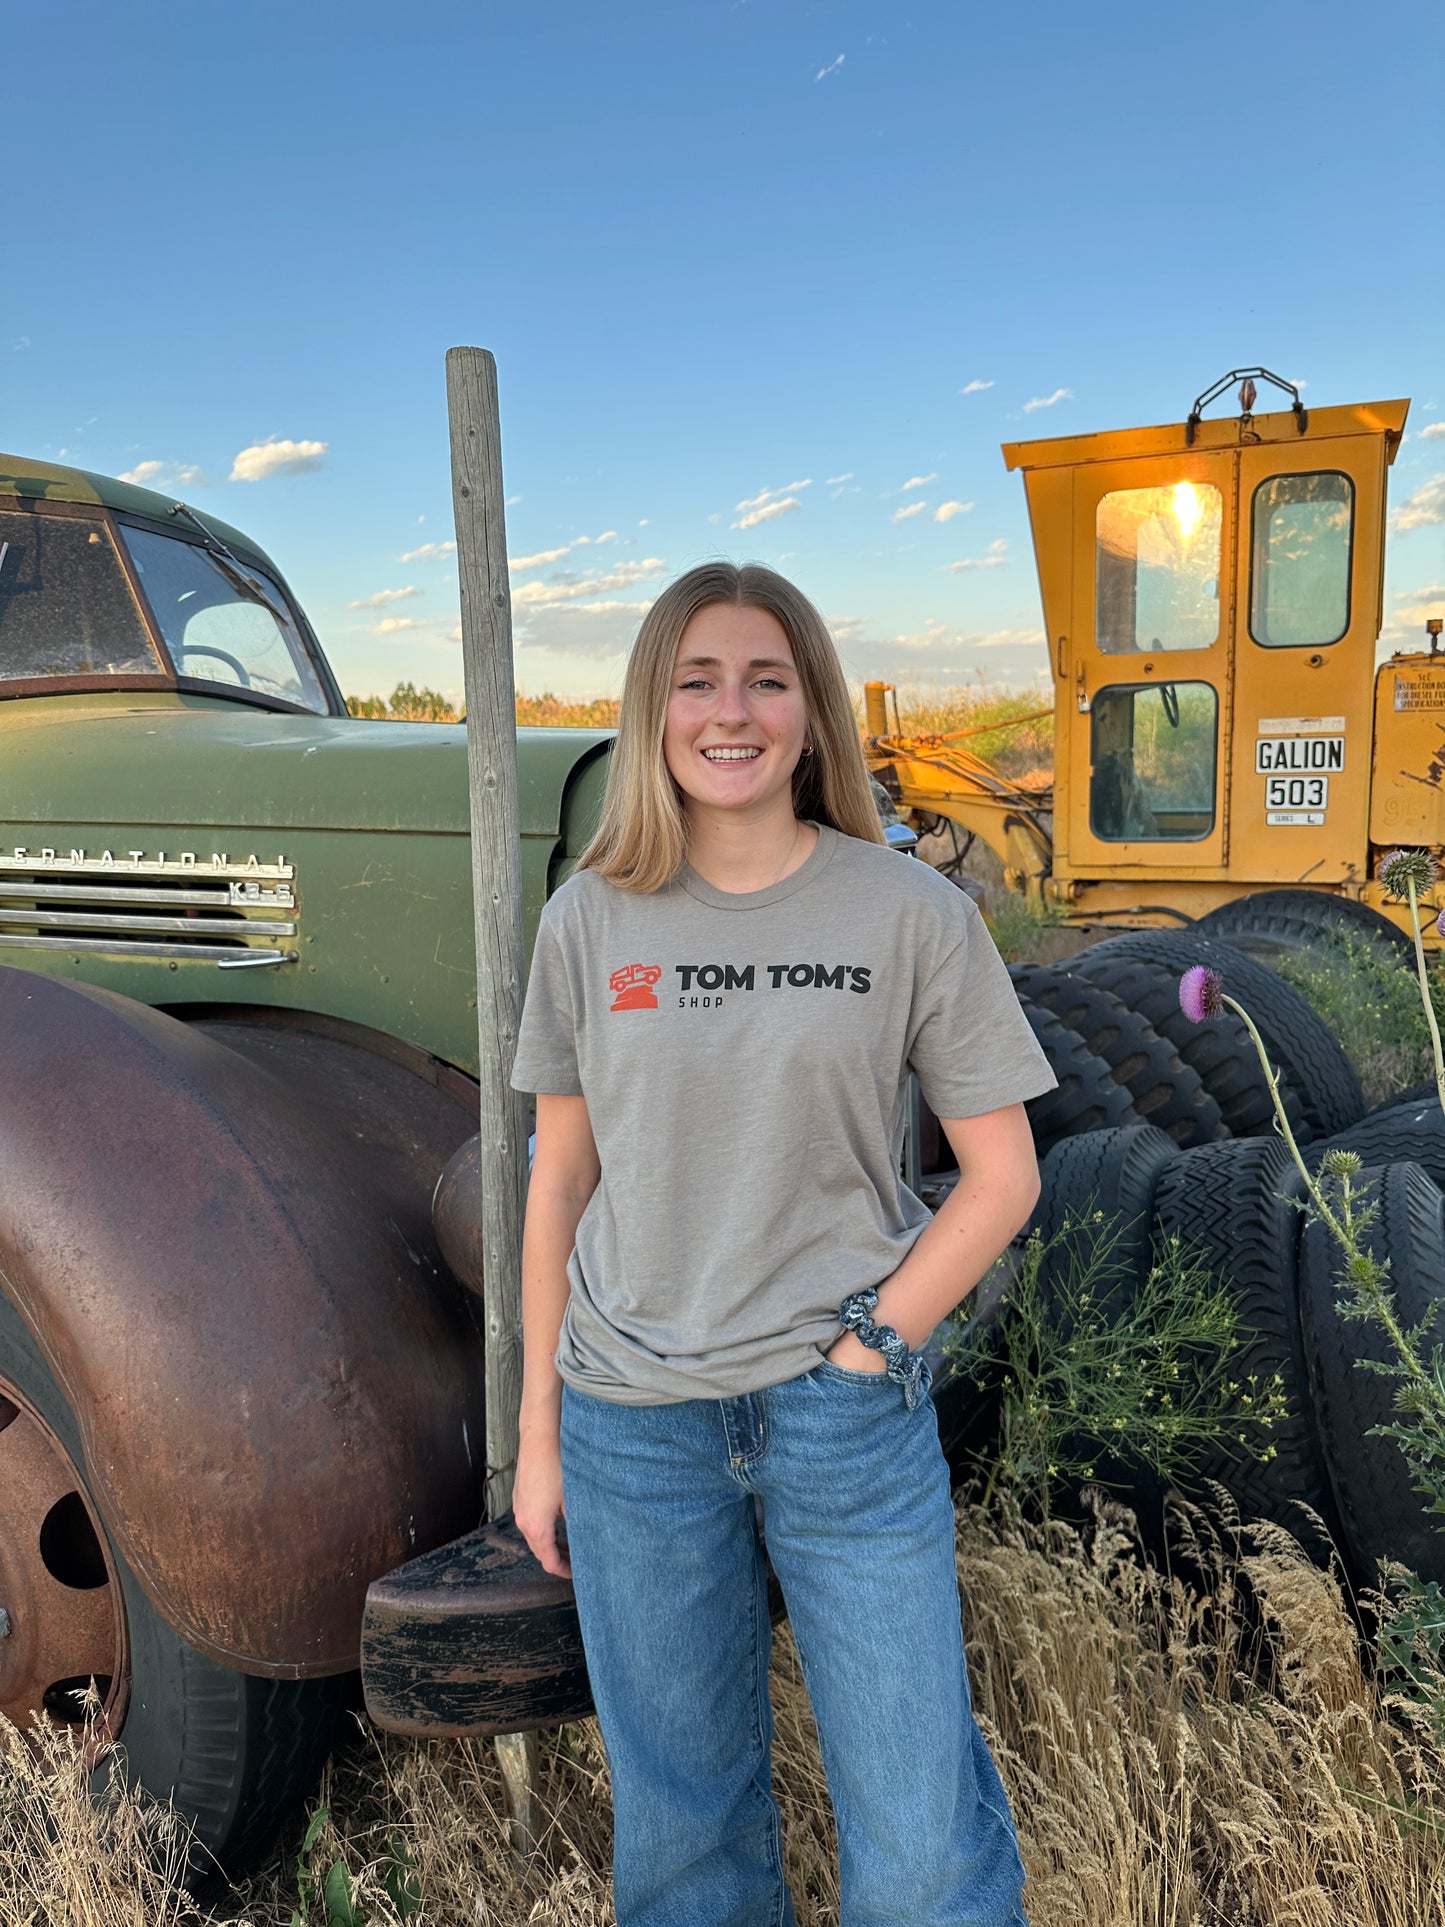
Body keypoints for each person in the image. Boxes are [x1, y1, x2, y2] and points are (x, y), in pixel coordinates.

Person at [510, 561, 1056, 1927]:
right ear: (652, 710)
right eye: (695, 679)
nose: (730, 711)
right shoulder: (588, 918)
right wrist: (537, 1435)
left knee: (924, 1855)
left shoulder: (907, 913)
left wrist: (873, 1348)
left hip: (840, 1420)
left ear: (811, 709)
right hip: (631, 1421)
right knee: (684, 1841)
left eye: (765, 678)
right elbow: (558, 1175)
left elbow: (1000, 1176)